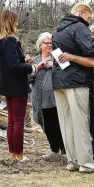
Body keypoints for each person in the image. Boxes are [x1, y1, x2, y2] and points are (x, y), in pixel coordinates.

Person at [52, 3, 94, 173]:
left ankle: (72, 160)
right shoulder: (79, 26)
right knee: (80, 122)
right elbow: (91, 48)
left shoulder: (58, 30)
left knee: (66, 123)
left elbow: (57, 55)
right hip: (76, 80)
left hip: (58, 81)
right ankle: (86, 163)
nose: (89, 23)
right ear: (81, 13)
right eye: (88, 18)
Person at [0, 10, 44, 161]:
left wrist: (23, 61)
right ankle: (19, 155)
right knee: (18, 122)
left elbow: (6, 64)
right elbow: (14, 66)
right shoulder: (9, 41)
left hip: (7, 85)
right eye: (15, 20)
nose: (17, 23)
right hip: (16, 85)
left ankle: (13, 153)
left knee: (12, 121)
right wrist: (33, 68)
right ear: (10, 22)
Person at [30, 32, 66, 161]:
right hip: (41, 98)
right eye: (47, 43)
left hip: (58, 97)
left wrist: (54, 65)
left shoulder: (58, 57)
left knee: (60, 124)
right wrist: (37, 68)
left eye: (51, 43)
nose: (49, 45)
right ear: (40, 45)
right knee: (47, 125)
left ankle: (65, 150)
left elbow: (67, 72)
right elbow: (28, 78)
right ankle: (54, 149)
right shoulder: (34, 60)